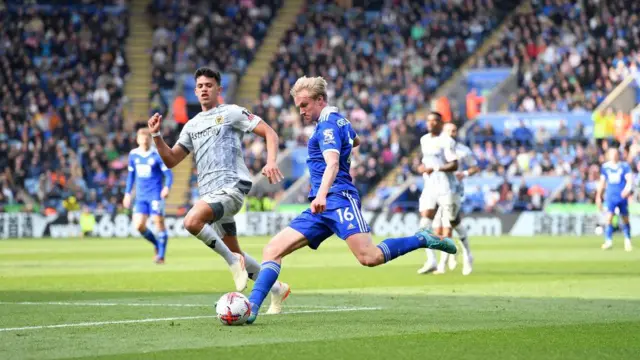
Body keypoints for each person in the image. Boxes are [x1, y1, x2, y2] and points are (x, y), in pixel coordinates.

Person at [245, 76, 457, 324]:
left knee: (370, 257)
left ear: (320, 100)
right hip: (321, 205)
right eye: (298, 106)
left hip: (337, 199)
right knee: (272, 250)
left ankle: (422, 238)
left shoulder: (326, 127)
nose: (301, 111)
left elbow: (333, 163)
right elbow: (355, 140)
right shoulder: (338, 121)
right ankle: (251, 307)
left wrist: (323, 193)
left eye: (304, 105)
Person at [147, 68, 291, 314]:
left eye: (209, 85)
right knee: (236, 250)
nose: (204, 89)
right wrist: (157, 136)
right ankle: (277, 288)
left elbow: (269, 132)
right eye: (200, 85)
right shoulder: (191, 126)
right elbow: (171, 160)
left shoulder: (231, 112)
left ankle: (232, 262)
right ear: (195, 91)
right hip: (210, 194)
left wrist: (271, 161)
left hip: (232, 188)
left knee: (192, 221)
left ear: (218, 89)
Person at [421, 123, 479, 276]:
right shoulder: (436, 147)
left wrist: (465, 173)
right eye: (449, 130)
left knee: (450, 226)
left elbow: (475, 167)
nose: (452, 133)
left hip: (454, 191)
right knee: (437, 228)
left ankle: (462, 256)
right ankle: (445, 259)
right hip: (435, 190)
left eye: (454, 130)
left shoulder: (463, 150)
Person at [415, 113, 460, 274]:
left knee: (450, 226)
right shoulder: (424, 140)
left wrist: (433, 169)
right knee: (424, 226)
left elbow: (454, 164)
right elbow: (426, 160)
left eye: (434, 120)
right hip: (430, 187)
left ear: (441, 123)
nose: (431, 123)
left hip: (445, 187)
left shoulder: (447, 141)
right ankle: (432, 260)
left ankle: (453, 257)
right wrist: (421, 167)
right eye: (429, 120)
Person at [123, 128, 173, 264]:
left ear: (150, 140)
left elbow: (168, 174)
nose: (144, 141)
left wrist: (166, 188)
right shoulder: (133, 155)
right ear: (138, 140)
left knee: (159, 223)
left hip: (155, 196)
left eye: (147, 139)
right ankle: (157, 244)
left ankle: (161, 256)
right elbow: (131, 176)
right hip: (140, 197)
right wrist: (127, 194)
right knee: (139, 226)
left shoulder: (157, 155)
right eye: (142, 139)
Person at [596, 148, 633, 251]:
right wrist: (598, 195)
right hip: (610, 196)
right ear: (608, 155)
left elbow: (629, 179)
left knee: (625, 218)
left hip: (622, 196)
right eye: (612, 153)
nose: (614, 155)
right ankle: (608, 241)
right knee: (609, 218)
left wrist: (627, 189)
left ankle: (627, 240)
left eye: (616, 153)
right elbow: (602, 182)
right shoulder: (605, 167)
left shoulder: (624, 166)